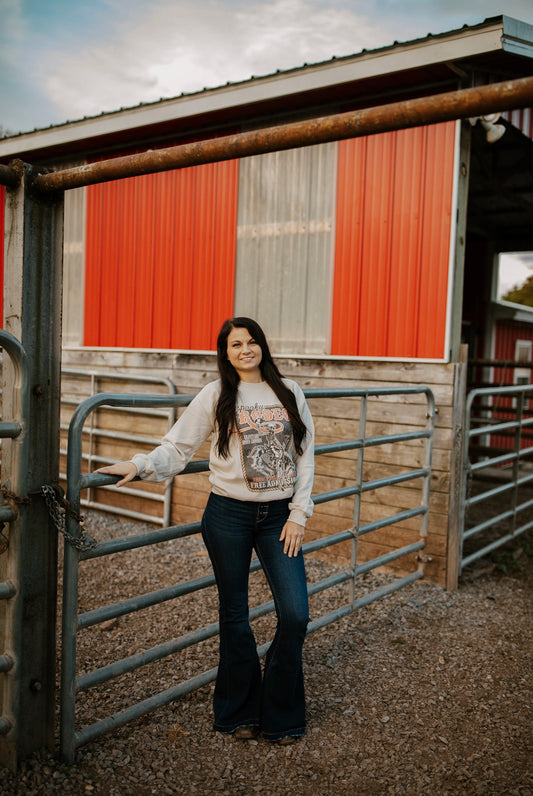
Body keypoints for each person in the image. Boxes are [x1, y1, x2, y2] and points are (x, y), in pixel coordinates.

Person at [97, 317, 315, 745]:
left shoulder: (289, 392)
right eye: (236, 345)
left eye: (252, 342)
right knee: (235, 616)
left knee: (296, 615)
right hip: (228, 516)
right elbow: (178, 447)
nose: (245, 350)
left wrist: (298, 513)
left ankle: (281, 711)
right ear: (226, 352)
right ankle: (239, 714)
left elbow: (305, 454)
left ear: (262, 347)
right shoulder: (216, 395)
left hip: (278, 519)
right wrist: (139, 465)